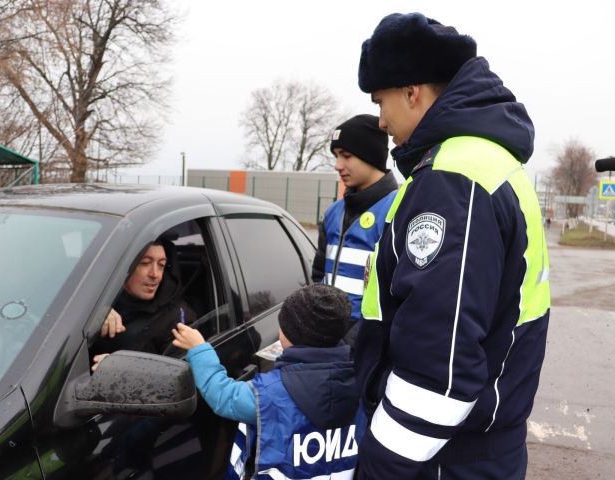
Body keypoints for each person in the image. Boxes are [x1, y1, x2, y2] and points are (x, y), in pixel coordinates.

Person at [355, 13, 550, 479]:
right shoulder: (484, 161)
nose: (380, 121)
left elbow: (439, 371)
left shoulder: (452, 180)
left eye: (381, 101)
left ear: (412, 92)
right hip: (476, 448)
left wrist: (379, 468)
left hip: (443, 455)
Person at [171, 284, 364, 479]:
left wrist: (199, 349)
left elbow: (223, 396)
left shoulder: (270, 394)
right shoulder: (360, 384)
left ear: (288, 334)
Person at [312, 114, 398, 341]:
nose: (337, 165)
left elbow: (400, 294)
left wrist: (358, 338)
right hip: (327, 338)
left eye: (346, 156)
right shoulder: (333, 212)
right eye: (336, 156)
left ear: (371, 156)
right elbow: (319, 274)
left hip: (371, 345)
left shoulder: (399, 209)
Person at [91, 238, 196, 358]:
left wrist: (121, 367)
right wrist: (92, 314)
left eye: (161, 265)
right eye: (145, 263)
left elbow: (179, 371)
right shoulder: (96, 297)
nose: (155, 274)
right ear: (122, 267)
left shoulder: (179, 318)